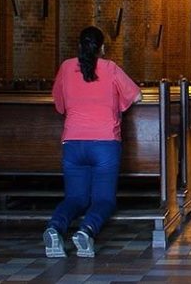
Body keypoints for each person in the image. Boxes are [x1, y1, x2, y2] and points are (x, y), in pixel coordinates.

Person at [44, 26, 142, 259]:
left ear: (79, 46)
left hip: (73, 142)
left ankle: (54, 227)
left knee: (75, 198)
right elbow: (136, 95)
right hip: (104, 143)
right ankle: (86, 231)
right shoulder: (110, 68)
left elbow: (59, 104)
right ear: (103, 48)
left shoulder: (66, 68)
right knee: (104, 199)